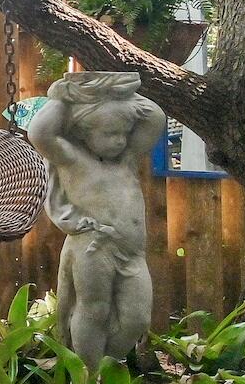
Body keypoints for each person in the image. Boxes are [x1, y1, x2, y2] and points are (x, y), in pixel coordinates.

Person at [26, 71, 166, 363]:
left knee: (137, 318)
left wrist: (116, 90)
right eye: (109, 134)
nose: (119, 141)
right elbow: (39, 133)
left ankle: (106, 362)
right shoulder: (73, 160)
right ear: (84, 133)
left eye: (123, 134)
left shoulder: (126, 160)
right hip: (94, 246)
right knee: (94, 310)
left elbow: (156, 118)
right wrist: (65, 95)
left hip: (132, 252)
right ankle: (88, 377)